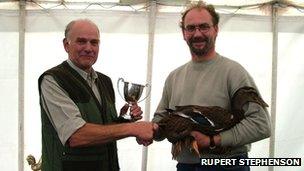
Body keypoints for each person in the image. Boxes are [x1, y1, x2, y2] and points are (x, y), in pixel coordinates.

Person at [152, 1, 271, 171]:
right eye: (191, 28)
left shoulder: (233, 72)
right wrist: (150, 130)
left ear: (216, 29)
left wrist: (213, 141)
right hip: (186, 165)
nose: (197, 33)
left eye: (204, 27)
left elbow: (260, 125)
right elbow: (160, 120)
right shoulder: (174, 77)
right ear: (183, 33)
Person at [38, 19, 157, 171]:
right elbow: (75, 135)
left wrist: (125, 120)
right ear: (66, 45)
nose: (88, 48)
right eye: (81, 41)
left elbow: (105, 129)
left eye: (94, 42)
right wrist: (133, 129)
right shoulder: (53, 80)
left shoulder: (104, 81)